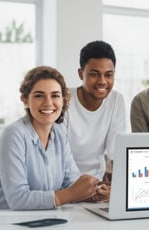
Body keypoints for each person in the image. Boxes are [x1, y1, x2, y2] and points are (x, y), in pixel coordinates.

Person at [0, 66, 110, 210]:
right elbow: (18, 199)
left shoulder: (59, 134)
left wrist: (93, 194)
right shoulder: (14, 135)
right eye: (39, 95)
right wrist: (71, 194)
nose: (48, 102)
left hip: (40, 220)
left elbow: (71, 184)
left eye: (55, 95)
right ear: (25, 100)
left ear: (63, 100)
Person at [63, 41, 125, 182]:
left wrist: (116, 186)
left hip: (96, 182)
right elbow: (59, 155)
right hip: (64, 182)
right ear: (81, 74)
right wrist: (80, 188)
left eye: (108, 75)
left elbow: (115, 152)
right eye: (94, 74)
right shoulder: (63, 99)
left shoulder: (116, 100)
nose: (102, 81)